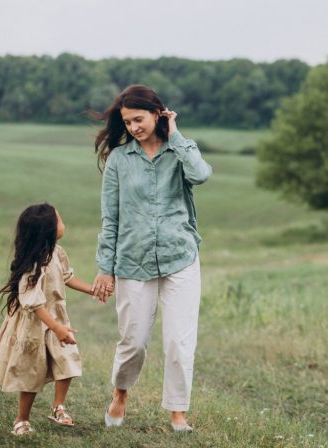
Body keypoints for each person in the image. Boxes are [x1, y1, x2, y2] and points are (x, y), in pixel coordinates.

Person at [90, 84, 212, 433]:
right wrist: (105, 268)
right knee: (134, 341)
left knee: (178, 341)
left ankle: (178, 414)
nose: (133, 127)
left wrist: (175, 134)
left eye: (138, 119)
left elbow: (201, 174)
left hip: (180, 257)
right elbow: (110, 218)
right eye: (127, 122)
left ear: (158, 114)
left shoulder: (180, 151)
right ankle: (121, 393)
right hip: (133, 261)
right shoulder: (118, 161)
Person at [0, 203, 94, 436]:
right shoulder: (33, 264)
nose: (63, 224)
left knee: (67, 361)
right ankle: (22, 419)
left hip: (57, 320)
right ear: (47, 229)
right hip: (34, 325)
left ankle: (58, 406)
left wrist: (91, 290)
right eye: (59, 220)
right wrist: (56, 327)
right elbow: (34, 302)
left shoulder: (57, 252)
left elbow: (67, 277)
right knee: (29, 372)